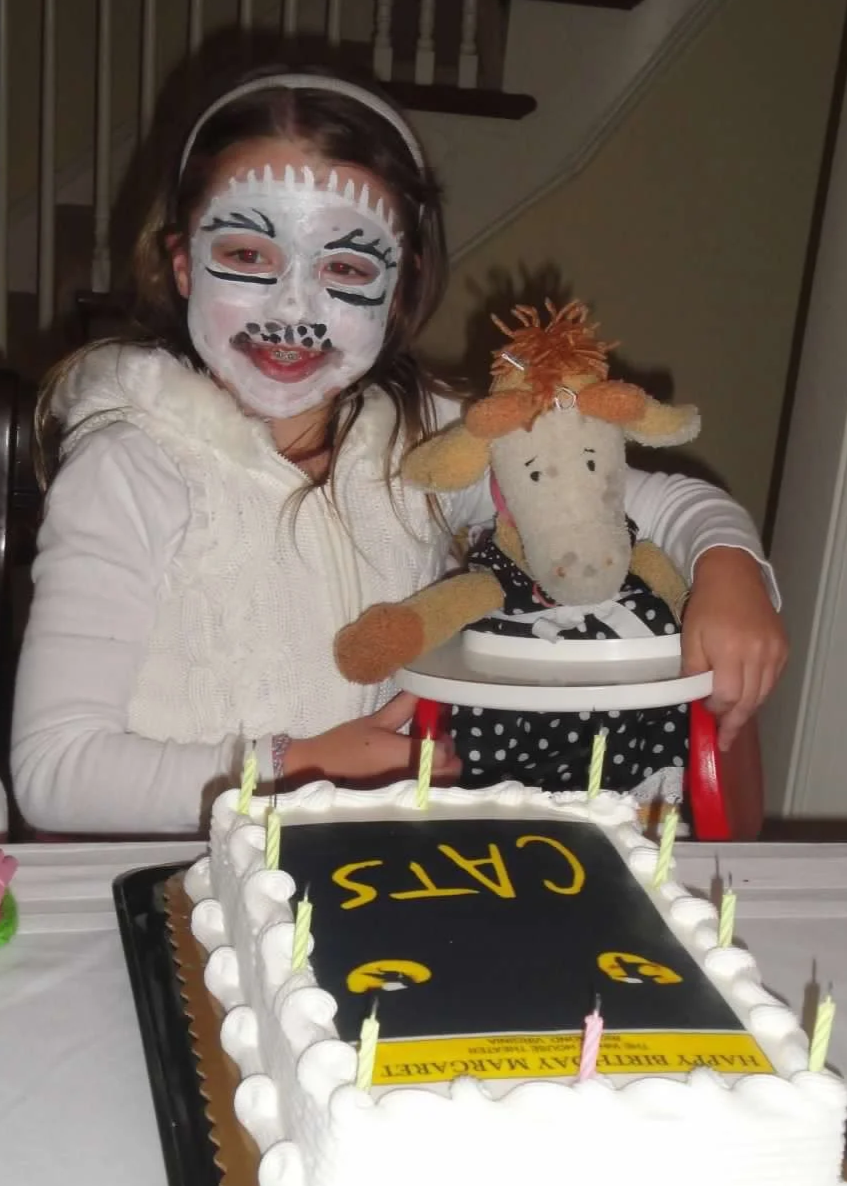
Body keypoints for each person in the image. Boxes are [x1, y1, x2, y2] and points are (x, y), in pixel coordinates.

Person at [11, 66, 786, 835]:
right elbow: (55, 771)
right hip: (191, 899)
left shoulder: (428, 439)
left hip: (379, 879)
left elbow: (642, 499)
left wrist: (726, 563)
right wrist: (296, 765)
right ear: (182, 264)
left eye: (344, 267)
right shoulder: (129, 470)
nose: (293, 307)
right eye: (247, 256)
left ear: (404, 283)